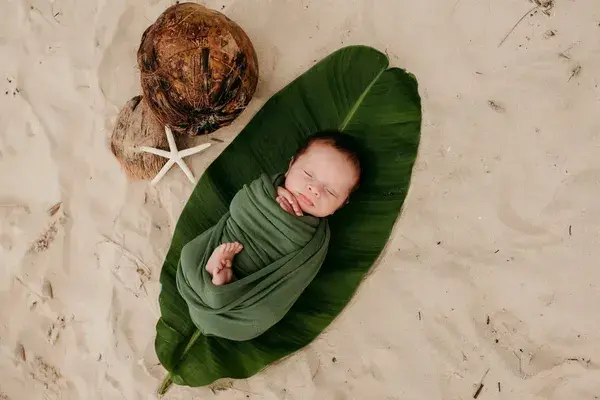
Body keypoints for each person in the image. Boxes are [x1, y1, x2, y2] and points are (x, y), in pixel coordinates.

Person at [206, 130, 363, 285]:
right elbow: (240, 206)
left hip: (257, 280)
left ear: (341, 205)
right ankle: (219, 270)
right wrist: (270, 194)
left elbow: (296, 272)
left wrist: (292, 225)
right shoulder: (263, 190)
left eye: (330, 191)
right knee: (191, 255)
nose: (315, 189)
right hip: (233, 240)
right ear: (290, 165)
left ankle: (226, 279)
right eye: (308, 174)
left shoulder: (316, 240)